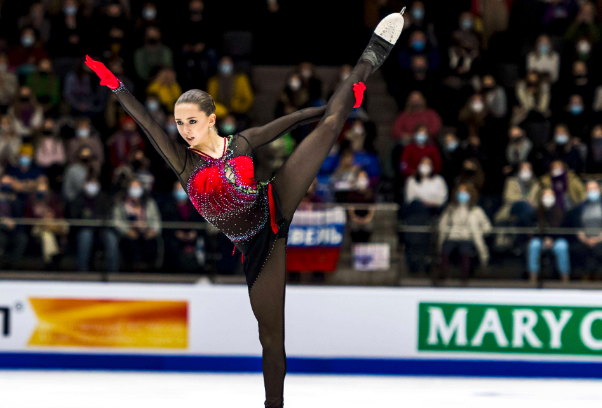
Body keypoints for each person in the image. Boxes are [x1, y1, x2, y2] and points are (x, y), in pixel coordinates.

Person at [85, 9, 406, 407]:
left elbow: (288, 123)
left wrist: (329, 111)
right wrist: (116, 85)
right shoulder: (184, 162)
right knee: (271, 336)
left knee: (329, 126)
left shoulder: (241, 143)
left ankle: (371, 56)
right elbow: (148, 123)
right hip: (257, 244)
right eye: (180, 123)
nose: (184, 130)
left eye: (191, 122)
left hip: (275, 200)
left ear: (211, 119)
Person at [438, 183, 492, 281]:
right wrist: (445, 232)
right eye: (460, 192)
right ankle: (443, 274)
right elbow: (442, 224)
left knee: (465, 250)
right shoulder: (450, 209)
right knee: (445, 249)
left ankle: (465, 277)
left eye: (465, 192)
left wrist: (479, 232)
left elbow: (487, 227)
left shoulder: (476, 210)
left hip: (467, 237)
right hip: (452, 236)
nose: (462, 194)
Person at [528, 188, 571, 283]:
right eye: (545, 196)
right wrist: (544, 239)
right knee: (533, 245)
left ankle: (564, 276)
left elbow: (563, 230)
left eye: (550, 196)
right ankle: (533, 276)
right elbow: (534, 229)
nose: (548, 198)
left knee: (562, 246)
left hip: (556, 240)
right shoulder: (536, 212)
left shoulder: (560, 211)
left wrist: (551, 239)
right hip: (540, 240)